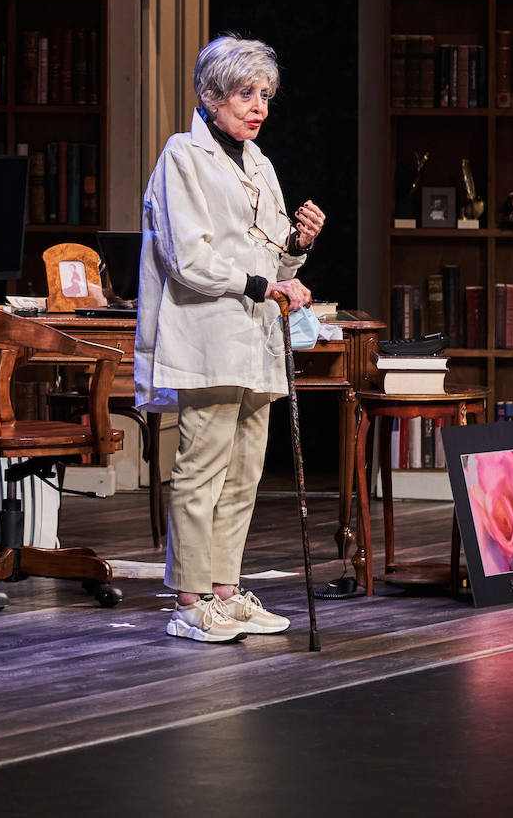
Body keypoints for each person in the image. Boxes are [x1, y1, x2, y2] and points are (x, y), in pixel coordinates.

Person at [135, 35, 325, 643]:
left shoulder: (260, 163)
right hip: (207, 337)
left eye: (265, 95)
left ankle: (225, 588)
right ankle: (189, 600)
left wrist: (296, 246)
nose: (258, 106)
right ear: (212, 95)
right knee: (202, 471)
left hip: (256, 340)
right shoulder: (181, 158)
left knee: (244, 473)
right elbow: (188, 257)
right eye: (246, 94)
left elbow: (272, 261)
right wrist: (262, 283)